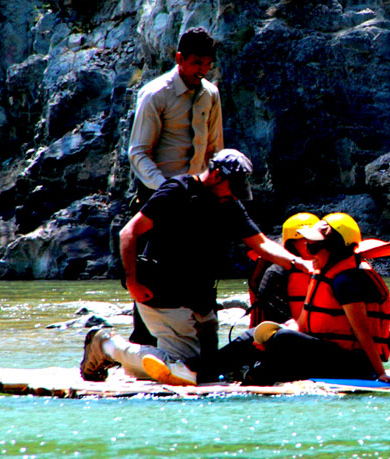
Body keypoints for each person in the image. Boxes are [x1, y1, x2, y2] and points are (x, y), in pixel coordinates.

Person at [80, 149, 313, 386]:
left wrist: (300, 263)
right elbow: (129, 232)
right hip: (162, 292)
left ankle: (141, 359)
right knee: (184, 371)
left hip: (200, 297)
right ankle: (105, 344)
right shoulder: (177, 191)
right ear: (217, 175)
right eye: (232, 187)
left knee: (210, 368)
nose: (235, 195)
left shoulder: (229, 204)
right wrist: (132, 281)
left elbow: (261, 243)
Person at [123, 26, 222, 345]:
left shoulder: (211, 94)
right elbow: (138, 152)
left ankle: (201, 352)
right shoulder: (155, 94)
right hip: (158, 199)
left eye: (207, 64)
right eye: (196, 63)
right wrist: (169, 190)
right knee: (152, 274)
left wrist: (213, 192)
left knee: (202, 277)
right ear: (179, 58)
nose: (202, 71)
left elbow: (215, 150)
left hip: (198, 201)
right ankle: (143, 346)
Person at [237, 213, 390, 386]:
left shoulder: (346, 282)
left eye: (314, 248)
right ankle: (211, 370)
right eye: (308, 247)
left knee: (283, 339)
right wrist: (268, 335)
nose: (309, 255)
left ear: (336, 249)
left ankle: (256, 375)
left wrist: (381, 374)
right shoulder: (321, 275)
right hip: (328, 357)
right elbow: (301, 324)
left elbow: (363, 333)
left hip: (355, 365)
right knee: (255, 335)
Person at [247, 212, 320, 328]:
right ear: (292, 244)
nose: (310, 244)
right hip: (289, 334)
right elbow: (274, 315)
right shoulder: (276, 273)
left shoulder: (330, 267)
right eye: (303, 240)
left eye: (314, 239)